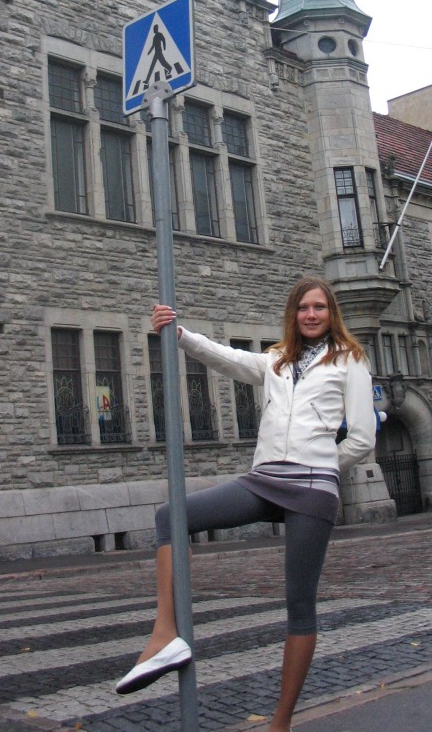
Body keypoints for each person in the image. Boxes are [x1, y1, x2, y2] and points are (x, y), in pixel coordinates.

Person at [116, 276, 375, 732]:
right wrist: (180, 334)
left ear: (331, 313)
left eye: (319, 307)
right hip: (265, 478)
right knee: (171, 516)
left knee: (299, 604)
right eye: (303, 308)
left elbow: (362, 438)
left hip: (312, 487)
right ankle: (165, 634)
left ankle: (280, 723)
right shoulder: (277, 359)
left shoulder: (350, 359)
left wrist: (319, 463)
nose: (311, 315)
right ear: (293, 314)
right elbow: (229, 359)